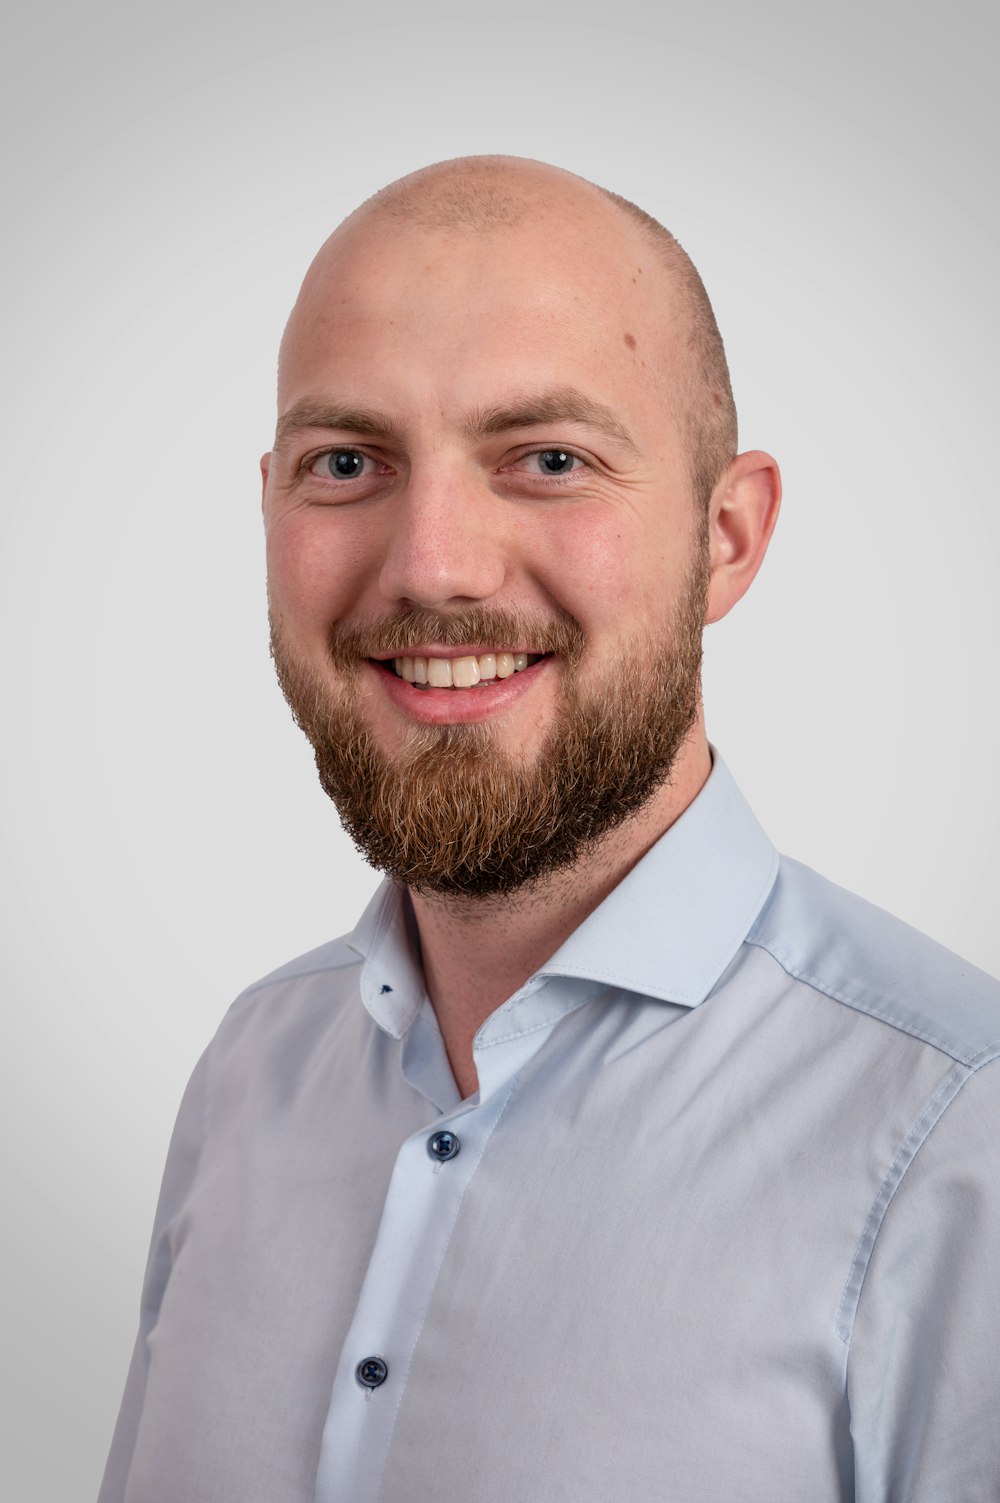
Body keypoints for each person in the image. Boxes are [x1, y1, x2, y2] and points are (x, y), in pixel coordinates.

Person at [99, 156, 1000, 1503]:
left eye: (549, 460)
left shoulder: (956, 1146)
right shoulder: (249, 1074)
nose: (433, 564)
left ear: (729, 538)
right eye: (346, 462)